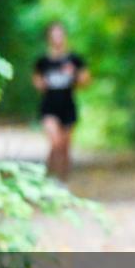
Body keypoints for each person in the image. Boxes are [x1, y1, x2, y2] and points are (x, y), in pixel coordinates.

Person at [32, 22, 89, 181]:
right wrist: (44, 82)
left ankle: (62, 180)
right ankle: (49, 177)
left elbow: (85, 81)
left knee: (65, 147)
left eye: (60, 34)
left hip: (68, 106)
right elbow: (37, 83)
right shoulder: (43, 61)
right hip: (49, 107)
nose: (57, 38)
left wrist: (74, 74)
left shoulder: (74, 59)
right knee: (55, 143)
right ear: (49, 38)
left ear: (65, 36)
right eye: (54, 35)